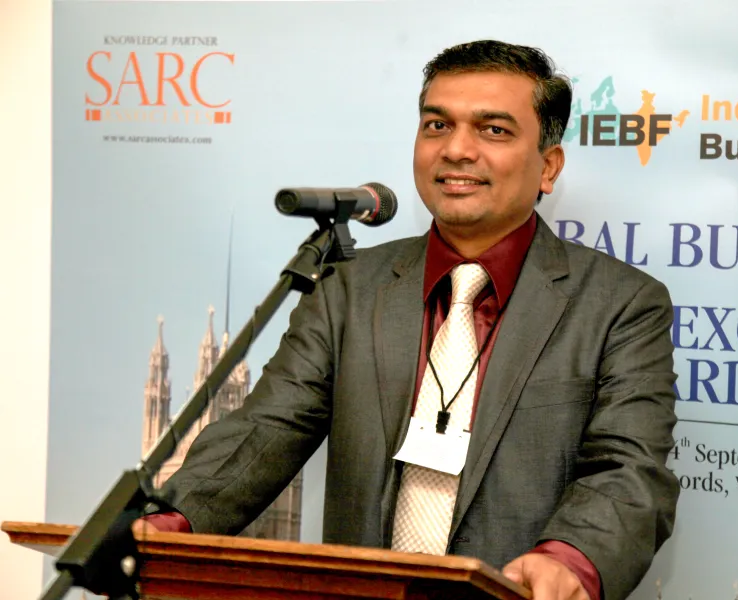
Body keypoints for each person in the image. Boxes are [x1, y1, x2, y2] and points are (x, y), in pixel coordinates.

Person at [139, 39, 680, 600]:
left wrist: (569, 560)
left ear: (548, 166)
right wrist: (167, 523)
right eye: (437, 126)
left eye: (493, 130)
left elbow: (628, 470)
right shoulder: (349, 286)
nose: (457, 150)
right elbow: (267, 428)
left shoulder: (620, 305)